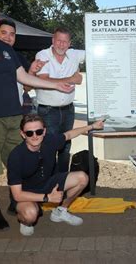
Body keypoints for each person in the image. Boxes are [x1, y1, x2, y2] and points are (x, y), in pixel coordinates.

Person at [0, 2, 74, 232]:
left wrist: (56, 84)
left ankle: (19, 200)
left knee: (21, 161)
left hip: (13, 117)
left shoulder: (7, 50)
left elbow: (26, 79)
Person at [7, 114, 104, 236]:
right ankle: (25, 221)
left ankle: (60, 211)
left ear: (44, 131)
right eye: (29, 133)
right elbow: (17, 194)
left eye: (39, 131)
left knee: (82, 178)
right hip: (26, 193)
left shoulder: (50, 140)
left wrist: (92, 126)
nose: (35, 136)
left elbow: (68, 134)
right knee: (30, 215)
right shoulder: (16, 156)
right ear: (23, 134)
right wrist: (47, 198)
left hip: (48, 184)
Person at [34, 27, 84, 173]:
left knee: (66, 146)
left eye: (65, 42)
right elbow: (43, 80)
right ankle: (48, 182)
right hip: (48, 111)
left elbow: (96, 51)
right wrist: (73, 78)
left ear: (70, 43)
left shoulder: (74, 54)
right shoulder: (42, 55)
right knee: (48, 147)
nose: (61, 45)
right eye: (58, 41)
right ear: (53, 40)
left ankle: (62, 181)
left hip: (68, 109)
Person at [0, 18, 45, 114]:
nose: (8, 37)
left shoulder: (18, 58)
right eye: (3, 33)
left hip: (16, 114)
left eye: (12, 34)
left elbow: (27, 88)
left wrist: (31, 71)